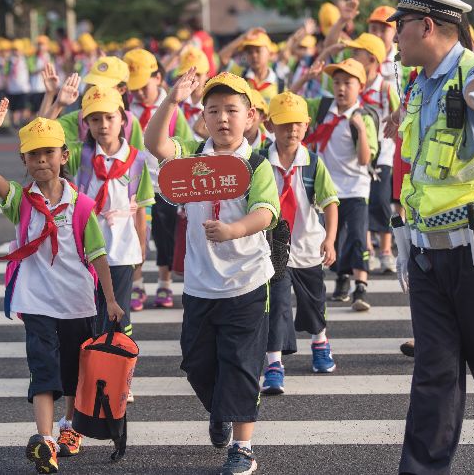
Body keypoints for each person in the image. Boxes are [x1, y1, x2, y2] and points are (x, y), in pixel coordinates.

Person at [385, 0, 474, 475]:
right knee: (433, 375)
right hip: (427, 251)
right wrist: (404, 235)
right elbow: (414, 165)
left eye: (398, 26)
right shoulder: (417, 84)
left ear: (425, 25)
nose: (393, 35)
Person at [145, 70, 279, 475]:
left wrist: (235, 229)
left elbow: (266, 212)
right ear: (202, 117)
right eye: (214, 110)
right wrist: (171, 100)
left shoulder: (257, 164)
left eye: (232, 110)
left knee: (240, 364)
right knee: (196, 363)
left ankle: (242, 448)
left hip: (247, 282)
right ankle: (219, 410)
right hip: (201, 285)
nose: (223, 118)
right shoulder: (190, 155)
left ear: (250, 116)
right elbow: (154, 144)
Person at [0, 107, 124, 474]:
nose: (42, 160)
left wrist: (109, 299)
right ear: (25, 160)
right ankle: (44, 440)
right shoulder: (20, 201)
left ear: (64, 157)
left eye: (49, 153)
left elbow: (99, 255)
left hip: (76, 303)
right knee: (43, 371)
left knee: (74, 373)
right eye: (34, 154)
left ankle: (70, 429)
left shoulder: (81, 207)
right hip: (37, 303)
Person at [261, 91, 340, 395]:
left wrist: (330, 240)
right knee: (277, 304)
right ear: (271, 125)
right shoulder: (260, 162)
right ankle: (274, 365)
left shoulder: (313, 164)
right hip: (273, 249)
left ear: (307, 125)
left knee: (313, 302)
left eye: (297, 124)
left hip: (308, 245)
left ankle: (320, 342)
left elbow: (331, 203)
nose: (291, 130)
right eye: (283, 124)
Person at [65, 85, 154, 343]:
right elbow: (45, 137)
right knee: (92, 308)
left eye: (110, 117)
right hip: (87, 246)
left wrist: (141, 247)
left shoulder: (136, 160)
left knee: (119, 311)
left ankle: (119, 362)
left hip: (123, 247)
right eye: (95, 119)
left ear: (123, 119)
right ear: (87, 124)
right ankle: (93, 365)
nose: (103, 125)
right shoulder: (81, 156)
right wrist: (56, 100)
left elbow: (140, 209)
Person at [303, 58, 378, 310]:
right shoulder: (322, 108)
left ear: (361, 86)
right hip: (327, 188)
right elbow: (290, 106)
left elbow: (365, 159)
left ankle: (360, 287)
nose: (341, 88)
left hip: (356, 186)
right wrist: (304, 78)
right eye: (336, 82)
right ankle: (342, 278)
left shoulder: (364, 116)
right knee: (331, 237)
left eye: (348, 82)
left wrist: (361, 130)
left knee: (357, 235)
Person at [127, 48, 195, 311]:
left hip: (164, 185)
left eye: (144, 85)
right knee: (135, 235)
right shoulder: (126, 110)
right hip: (134, 186)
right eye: (135, 88)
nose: (140, 93)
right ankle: (137, 283)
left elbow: (187, 145)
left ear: (158, 76)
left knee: (165, 236)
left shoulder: (172, 107)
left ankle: (165, 282)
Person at [343, 32, 399, 275]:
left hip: (383, 153)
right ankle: (368, 249)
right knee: (362, 201)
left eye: (357, 53)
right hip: (357, 154)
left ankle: (386, 249)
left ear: (373, 59)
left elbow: (400, 119)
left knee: (381, 200)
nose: (352, 56)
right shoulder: (354, 88)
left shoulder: (386, 88)